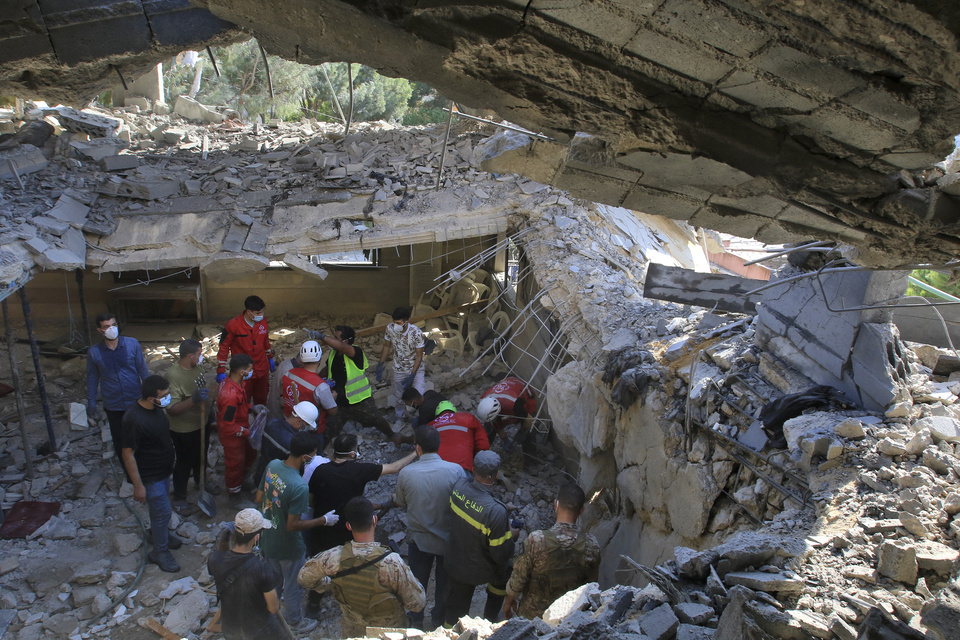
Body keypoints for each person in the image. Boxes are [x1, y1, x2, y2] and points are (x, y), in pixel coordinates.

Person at [298, 497, 425, 637]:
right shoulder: (392, 563)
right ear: (374, 520)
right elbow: (417, 604)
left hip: (355, 630)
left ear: (348, 526)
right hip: (389, 633)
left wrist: (329, 585)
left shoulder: (334, 558)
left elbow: (304, 577)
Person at [256, 431, 339, 635]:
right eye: (313, 454)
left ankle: (271, 615)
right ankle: (294, 621)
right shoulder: (299, 486)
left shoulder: (273, 465)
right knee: (293, 586)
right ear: (306, 458)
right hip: (289, 545)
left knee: (273, 580)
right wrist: (323, 520)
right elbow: (293, 525)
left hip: (268, 535)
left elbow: (259, 497)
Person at [393, 426, 465, 628]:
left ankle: (416, 621)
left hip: (419, 540)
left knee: (417, 582)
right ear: (438, 446)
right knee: (444, 585)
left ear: (417, 448)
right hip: (447, 540)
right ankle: (438, 621)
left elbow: (400, 502)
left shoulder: (407, 473)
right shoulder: (456, 470)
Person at [306, 433, 416, 560]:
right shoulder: (360, 470)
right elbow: (394, 467)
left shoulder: (320, 470)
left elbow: (310, 502)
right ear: (353, 454)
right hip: (347, 533)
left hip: (322, 534)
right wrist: (415, 453)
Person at [503, 483, 601, 621]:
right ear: (581, 510)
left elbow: (518, 579)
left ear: (556, 504)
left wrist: (508, 601)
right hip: (570, 618)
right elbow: (591, 586)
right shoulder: (592, 545)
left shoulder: (536, 540)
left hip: (533, 617)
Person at [444, 450, 517, 626]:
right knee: (505, 568)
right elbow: (500, 554)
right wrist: (511, 535)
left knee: (455, 612)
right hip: (480, 568)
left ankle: (450, 631)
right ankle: (491, 619)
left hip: (456, 562)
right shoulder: (495, 512)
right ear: (496, 475)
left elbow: (473, 508)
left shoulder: (458, 486)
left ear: (474, 469)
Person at [121, 375, 180, 573]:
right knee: (162, 511)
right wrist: (138, 486)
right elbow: (127, 454)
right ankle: (159, 551)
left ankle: (158, 533)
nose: (167, 398)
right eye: (163, 396)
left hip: (163, 471)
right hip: (150, 476)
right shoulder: (133, 419)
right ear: (149, 398)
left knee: (162, 510)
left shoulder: (156, 410)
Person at [312, 326, 403, 444]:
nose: (332, 339)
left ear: (345, 341)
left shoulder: (355, 352)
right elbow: (328, 367)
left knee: (376, 419)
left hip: (359, 400)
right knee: (330, 429)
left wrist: (321, 337)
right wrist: (317, 380)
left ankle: (391, 435)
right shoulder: (334, 353)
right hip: (339, 401)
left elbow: (342, 347)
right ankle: (317, 453)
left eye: (336, 337)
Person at [208, 509, 285, 640]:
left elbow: (225, 555)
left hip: (230, 628)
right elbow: (273, 608)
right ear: (256, 537)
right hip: (259, 631)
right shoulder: (263, 569)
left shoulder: (214, 559)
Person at [86, 312, 150, 464]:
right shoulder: (94, 352)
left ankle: (144, 467)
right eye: (106, 326)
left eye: (113, 325)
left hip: (135, 401)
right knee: (121, 441)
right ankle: (128, 472)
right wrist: (92, 403)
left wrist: (150, 394)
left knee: (141, 436)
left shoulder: (132, 344)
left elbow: (143, 370)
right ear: (99, 330)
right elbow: (92, 378)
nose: (111, 329)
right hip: (114, 405)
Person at [165, 339, 213, 509]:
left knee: (202, 454)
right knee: (184, 462)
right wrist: (193, 400)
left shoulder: (197, 367)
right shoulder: (173, 376)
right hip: (184, 429)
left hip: (202, 422)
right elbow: (171, 409)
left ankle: (201, 482)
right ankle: (179, 497)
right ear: (190, 356)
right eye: (199, 354)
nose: (201, 357)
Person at [216, 295, 275, 405]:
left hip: (262, 369)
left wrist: (270, 357)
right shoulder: (233, 325)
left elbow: (265, 341)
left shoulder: (263, 322)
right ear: (249, 312)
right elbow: (224, 347)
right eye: (258, 313)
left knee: (262, 399)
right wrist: (220, 369)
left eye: (262, 312)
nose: (261, 315)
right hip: (243, 372)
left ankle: (260, 420)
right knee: (242, 401)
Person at [281, 340, 337, 443]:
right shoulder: (321, 386)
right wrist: (333, 397)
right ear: (320, 359)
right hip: (309, 428)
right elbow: (332, 411)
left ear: (301, 360)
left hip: (289, 420)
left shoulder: (289, 373)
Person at [217, 354, 257, 496]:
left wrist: (251, 407)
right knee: (235, 464)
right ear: (242, 372)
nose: (252, 372)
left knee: (250, 453)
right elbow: (228, 426)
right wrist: (246, 432)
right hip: (233, 437)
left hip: (241, 427)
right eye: (250, 370)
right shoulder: (230, 395)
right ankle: (234, 494)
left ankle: (243, 478)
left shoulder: (236, 384)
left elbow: (240, 406)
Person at [253, 400, 319, 486]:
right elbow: (297, 468)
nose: (307, 428)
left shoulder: (272, 422)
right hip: (274, 480)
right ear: (299, 421)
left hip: (261, 470)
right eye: (306, 425)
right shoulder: (293, 443)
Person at [377, 307, 426, 420]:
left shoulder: (416, 333)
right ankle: (401, 416)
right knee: (399, 396)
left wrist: (413, 374)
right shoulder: (390, 329)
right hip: (399, 368)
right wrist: (381, 363)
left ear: (406, 322)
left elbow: (419, 356)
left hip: (416, 368)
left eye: (398, 323)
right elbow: (386, 346)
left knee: (419, 395)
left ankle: (422, 417)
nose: (395, 325)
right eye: (394, 322)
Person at [477, 377, 538, 457]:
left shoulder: (513, 405)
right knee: (489, 428)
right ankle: (483, 451)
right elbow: (494, 423)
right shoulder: (483, 400)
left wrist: (522, 432)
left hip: (523, 394)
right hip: (507, 390)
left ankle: (530, 460)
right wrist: (505, 439)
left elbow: (529, 420)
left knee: (529, 431)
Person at [429, 408, 490, 473]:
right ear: (454, 411)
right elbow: (483, 445)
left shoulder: (430, 426)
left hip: (436, 470)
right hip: (462, 466)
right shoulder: (468, 418)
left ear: (437, 415)